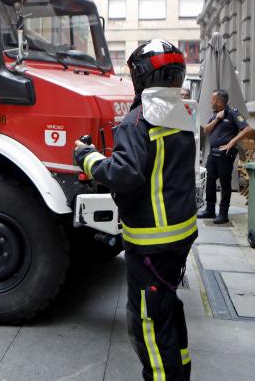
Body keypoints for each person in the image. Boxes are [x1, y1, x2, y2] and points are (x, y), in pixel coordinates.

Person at [74, 39, 197, 381]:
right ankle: (180, 371)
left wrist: (86, 157)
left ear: (141, 76)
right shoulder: (182, 114)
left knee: (148, 321)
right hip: (179, 236)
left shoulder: (137, 120)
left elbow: (124, 174)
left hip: (150, 243)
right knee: (167, 307)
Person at [197, 89, 253, 224]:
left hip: (225, 155)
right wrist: (217, 119)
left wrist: (232, 142)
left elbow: (247, 128)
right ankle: (210, 209)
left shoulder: (233, 113)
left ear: (219, 101)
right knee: (210, 181)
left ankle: (223, 214)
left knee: (225, 184)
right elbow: (206, 130)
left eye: (212, 99)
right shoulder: (216, 114)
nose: (211, 101)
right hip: (213, 153)